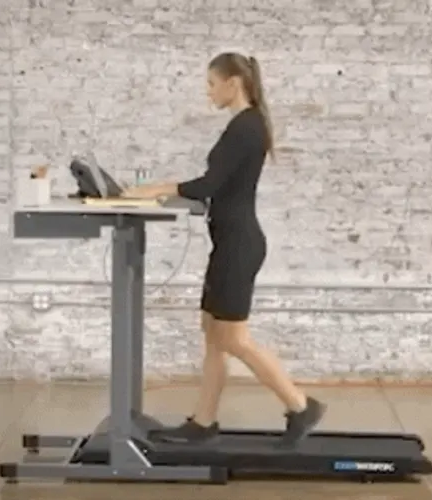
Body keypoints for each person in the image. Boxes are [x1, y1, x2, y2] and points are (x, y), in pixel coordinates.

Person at [120, 52, 326, 446]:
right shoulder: (245, 124)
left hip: (239, 247)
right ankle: (203, 422)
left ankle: (301, 406)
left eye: (212, 84)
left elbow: (209, 184)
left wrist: (159, 187)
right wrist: (162, 190)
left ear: (233, 83)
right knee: (214, 334)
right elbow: (216, 183)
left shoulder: (246, 127)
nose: (208, 92)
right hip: (229, 243)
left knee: (234, 339)